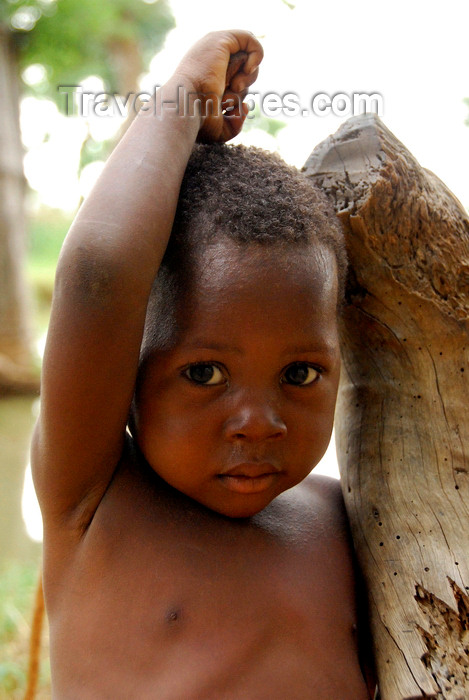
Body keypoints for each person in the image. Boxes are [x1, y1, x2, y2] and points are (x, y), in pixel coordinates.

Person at [32, 29, 376, 698]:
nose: (256, 422)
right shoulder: (94, 500)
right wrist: (182, 98)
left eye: (300, 374)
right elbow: (99, 277)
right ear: (126, 370)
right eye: (204, 374)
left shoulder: (348, 520)